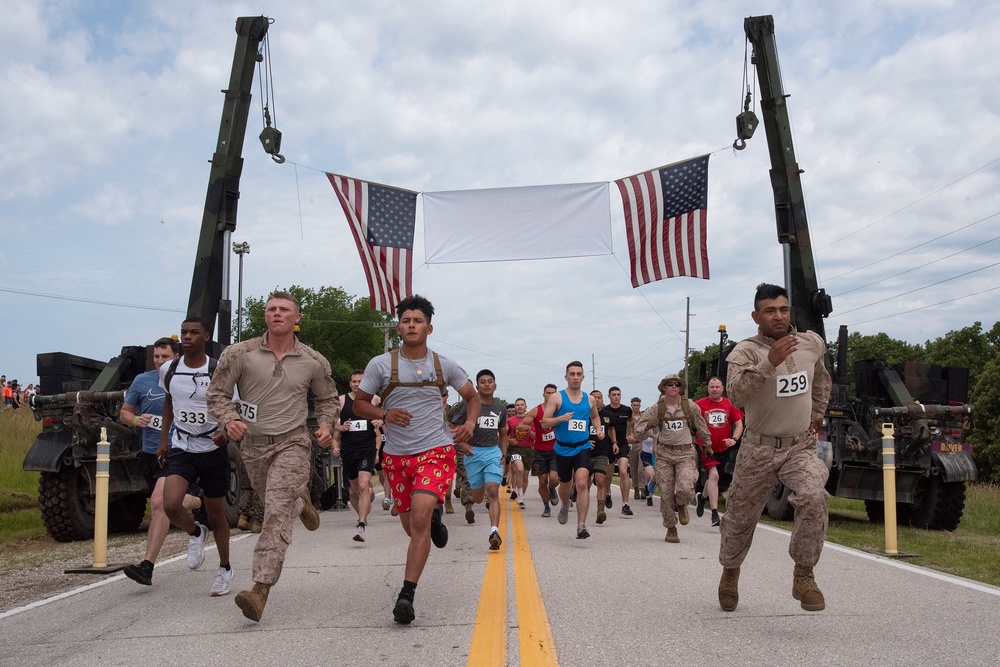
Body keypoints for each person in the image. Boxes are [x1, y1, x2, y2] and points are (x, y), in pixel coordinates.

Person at [207, 291, 339, 622]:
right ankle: (302, 500)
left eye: (284, 310)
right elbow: (217, 394)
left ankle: (260, 588)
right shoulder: (240, 353)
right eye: (271, 309)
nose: (276, 313)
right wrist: (230, 419)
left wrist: (324, 425)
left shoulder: (313, 360)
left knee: (275, 514)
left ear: (297, 319)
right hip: (253, 447)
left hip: (293, 443)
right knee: (279, 503)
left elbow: (328, 399)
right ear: (265, 316)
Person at [352, 294, 479, 625]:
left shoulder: (443, 366)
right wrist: (385, 413)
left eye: (418, 321)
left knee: (418, 520)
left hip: (436, 450)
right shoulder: (380, 365)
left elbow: (472, 397)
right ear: (399, 327)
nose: (412, 325)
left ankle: (406, 595)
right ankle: (435, 519)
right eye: (406, 321)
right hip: (397, 457)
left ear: (429, 327)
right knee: (412, 526)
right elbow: (359, 405)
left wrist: (468, 424)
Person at [717, 283, 832, 613]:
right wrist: (770, 361)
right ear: (756, 316)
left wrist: (819, 411)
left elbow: (822, 379)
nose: (778, 316)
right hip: (758, 449)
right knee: (739, 520)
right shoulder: (745, 352)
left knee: (813, 496)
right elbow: (737, 396)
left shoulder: (811, 344)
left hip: (799, 447)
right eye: (770, 311)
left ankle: (804, 574)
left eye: (783, 309)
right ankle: (730, 571)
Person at [154, 319, 234, 596]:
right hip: (182, 445)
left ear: (206, 337)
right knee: (170, 503)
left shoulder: (218, 370)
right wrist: (164, 439)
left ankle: (225, 568)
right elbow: (169, 401)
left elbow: (232, 407)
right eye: (184, 333)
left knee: (216, 515)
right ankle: (195, 532)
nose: (187, 337)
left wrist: (225, 431)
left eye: (193, 333)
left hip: (212, 448)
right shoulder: (169, 369)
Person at [120, 337, 206, 587]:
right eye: (156, 357)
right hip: (149, 453)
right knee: (169, 503)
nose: (159, 361)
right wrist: (136, 420)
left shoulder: (184, 378)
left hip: (177, 450)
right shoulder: (142, 381)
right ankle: (201, 504)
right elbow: (125, 412)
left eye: (164, 357)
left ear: (175, 357)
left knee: (159, 502)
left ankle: (147, 566)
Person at [632, 374, 712, 543]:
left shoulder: (690, 406)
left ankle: (682, 504)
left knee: (685, 487)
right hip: (664, 455)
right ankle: (671, 529)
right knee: (666, 493)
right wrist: (648, 425)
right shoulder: (656, 409)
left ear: (681, 388)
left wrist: (707, 444)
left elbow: (701, 425)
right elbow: (637, 433)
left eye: (677, 384)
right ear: (664, 388)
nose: (673, 386)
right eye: (670, 384)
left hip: (685, 453)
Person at [541, 361, 603, 539]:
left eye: (578, 374)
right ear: (566, 377)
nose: (575, 377)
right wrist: (560, 419)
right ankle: (565, 505)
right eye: (572, 374)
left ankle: (581, 525)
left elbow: (595, 416)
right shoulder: (557, 398)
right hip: (562, 449)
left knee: (582, 482)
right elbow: (545, 422)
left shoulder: (589, 399)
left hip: (583, 447)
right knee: (565, 485)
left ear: (583, 377)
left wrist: (598, 429)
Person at [450, 370, 508, 550]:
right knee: (477, 498)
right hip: (473, 454)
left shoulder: (500, 408)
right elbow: (453, 428)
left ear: (495, 385)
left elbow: (504, 435)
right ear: (477, 386)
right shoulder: (467, 406)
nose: (487, 384)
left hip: (492, 453)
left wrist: (503, 455)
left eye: (490, 381)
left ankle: (494, 531)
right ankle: (478, 497)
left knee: (493, 491)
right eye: (482, 382)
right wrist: (462, 444)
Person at [333, 369, 384, 542]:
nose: (357, 384)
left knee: (363, 485)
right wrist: (339, 427)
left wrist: (382, 420)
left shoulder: (374, 399)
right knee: (353, 490)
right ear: (350, 383)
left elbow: (387, 411)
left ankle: (361, 524)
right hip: (349, 449)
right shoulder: (341, 401)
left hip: (367, 447)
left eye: (360, 381)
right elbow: (330, 421)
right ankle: (363, 511)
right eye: (354, 381)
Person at [695, 377, 744, 527]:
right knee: (714, 475)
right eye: (712, 387)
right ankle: (715, 514)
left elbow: (739, 425)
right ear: (708, 388)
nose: (714, 389)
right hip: (706, 447)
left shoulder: (730, 404)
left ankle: (702, 497)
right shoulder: (698, 405)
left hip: (723, 448)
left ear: (722, 389)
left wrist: (734, 439)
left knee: (713, 479)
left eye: (717, 387)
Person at [602, 387, 633, 515]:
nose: (616, 397)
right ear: (609, 396)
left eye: (618, 394)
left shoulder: (627, 410)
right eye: (613, 395)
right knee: (608, 476)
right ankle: (607, 493)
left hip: (623, 444)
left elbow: (631, 421)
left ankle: (625, 504)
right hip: (608, 446)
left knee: (623, 471)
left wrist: (630, 433)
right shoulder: (605, 411)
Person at [588, 390, 616, 525]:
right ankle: (577, 496)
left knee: (601, 480)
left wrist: (614, 442)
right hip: (585, 453)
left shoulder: (607, 415)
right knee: (584, 483)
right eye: (594, 398)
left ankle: (600, 509)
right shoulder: (584, 414)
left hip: (602, 453)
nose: (597, 400)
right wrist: (584, 442)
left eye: (599, 398)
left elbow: (611, 429)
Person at [506, 398, 534, 510]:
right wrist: (509, 440)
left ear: (526, 407)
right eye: (518, 405)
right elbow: (504, 434)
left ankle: (522, 495)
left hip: (528, 449)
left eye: (522, 405)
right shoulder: (510, 420)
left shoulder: (531, 420)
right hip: (515, 449)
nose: (520, 407)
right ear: (515, 407)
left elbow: (536, 436)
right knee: (519, 469)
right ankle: (520, 496)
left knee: (525, 476)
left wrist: (529, 431)